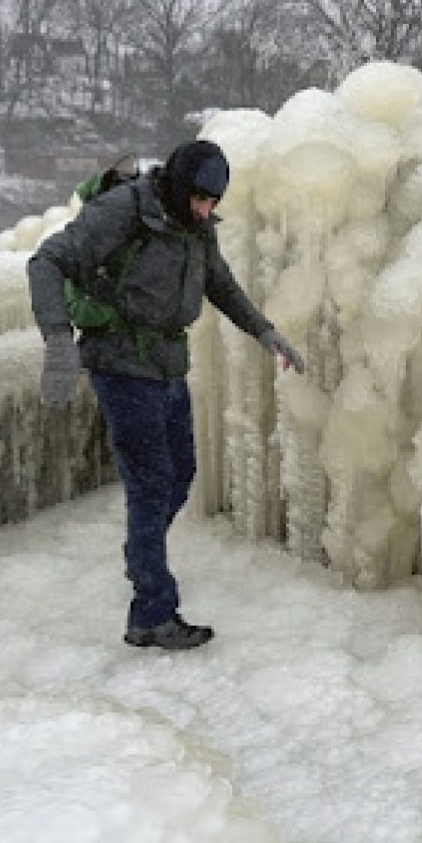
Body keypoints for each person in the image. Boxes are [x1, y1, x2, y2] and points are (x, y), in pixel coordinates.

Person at [28, 140, 304, 651]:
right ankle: (152, 611)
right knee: (152, 484)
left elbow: (218, 283)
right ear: (178, 187)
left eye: (213, 203)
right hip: (121, 362)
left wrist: (265, 332)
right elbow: (47, 261)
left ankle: (142, 555)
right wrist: (59, 341)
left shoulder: (196, 227)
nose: (205, 210)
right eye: (199, 199)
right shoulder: (124, 211)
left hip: (166, 364)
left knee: (180, 474)